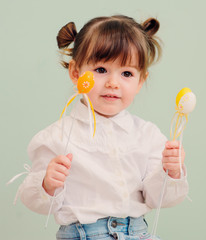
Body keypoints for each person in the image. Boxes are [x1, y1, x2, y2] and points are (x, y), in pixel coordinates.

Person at [17, 15, 188, 240]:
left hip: (137, 233)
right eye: (101, 70)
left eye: (126, 73)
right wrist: (48, 184)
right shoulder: (57, 137)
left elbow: (158, 198)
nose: (113, 83)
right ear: (76, 72)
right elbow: (35, 202)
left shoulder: (147, 135)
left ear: (141, 81)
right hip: (83, 234)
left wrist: (171, 172)